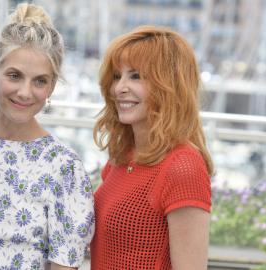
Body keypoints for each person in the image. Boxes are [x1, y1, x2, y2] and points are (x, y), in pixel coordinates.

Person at [0, 3, 94, 270]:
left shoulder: (64, 166)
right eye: (15, 76)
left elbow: (65, 262)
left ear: (51, 87)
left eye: (40, 81)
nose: (25, 92)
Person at [91, 25, 213, 269]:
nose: (119, 88)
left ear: (169, 85)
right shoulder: (122, 157)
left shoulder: (182, 167)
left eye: (135, 76)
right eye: (117, 76)